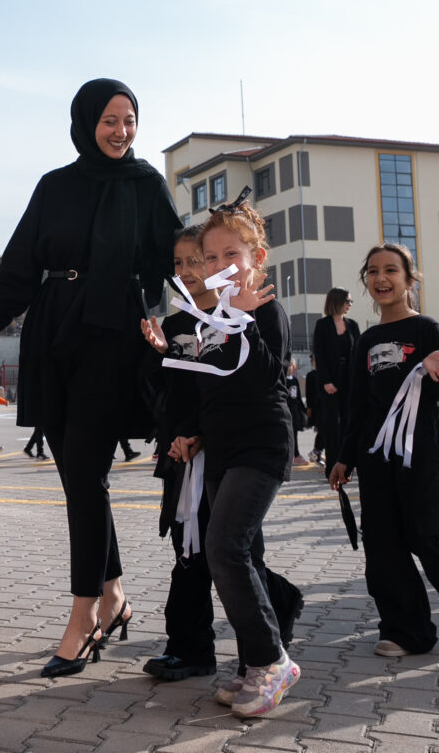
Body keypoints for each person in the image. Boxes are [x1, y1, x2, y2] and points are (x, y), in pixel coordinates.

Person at [0, 78, 180, 678]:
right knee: (77, 476)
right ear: (86, 122)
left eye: (130, 120)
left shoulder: (146, 185)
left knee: (87, 476)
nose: (122, 131)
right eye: (110, 120)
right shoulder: (55, 186)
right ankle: (114, 597)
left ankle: (83, 613)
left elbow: (178, 261)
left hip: (112, 336)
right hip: (53, 333)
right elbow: (20, 259)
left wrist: (216, 306)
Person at [143, 200, 303, 716]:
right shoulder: (203, 317)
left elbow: (262, 378)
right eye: (208, 258)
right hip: (221, 452)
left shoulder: (266, 310)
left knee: (224, 548)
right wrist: (190, 436)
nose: (216, 266)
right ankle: (255, 666)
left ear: (256, 257)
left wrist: (247, 318)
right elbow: (202, 393)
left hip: (262, 447)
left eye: (228, 254)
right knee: (239, 555)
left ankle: (271, 660)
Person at [329, 243, 439, 657]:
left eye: (391, 270)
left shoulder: (426, 329)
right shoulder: (366, 339)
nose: (381, 278)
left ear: (409, 279)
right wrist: (345, 455)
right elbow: (358, 404)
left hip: (421, 445)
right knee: (382, 541)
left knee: (424, 532)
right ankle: (406, 631)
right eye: (373, 272)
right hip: (374, 452)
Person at [311, 287, 360, 479]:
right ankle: (332, 466)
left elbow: (358, 353)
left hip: (349, 381)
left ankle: (349, 464)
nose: (349, 304)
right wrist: (325, 381)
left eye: (350, 301)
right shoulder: (322, 325)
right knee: (333, 426)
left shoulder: (353, 325)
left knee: (350, 423)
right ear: (336, 301)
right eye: (347, 300)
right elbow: (320, 355)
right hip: (329, 382)